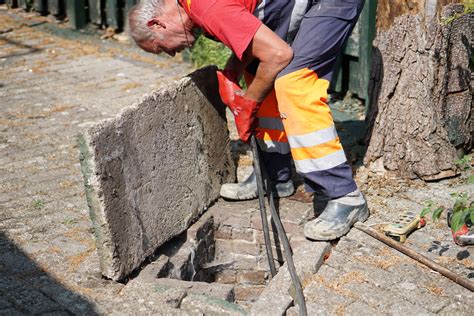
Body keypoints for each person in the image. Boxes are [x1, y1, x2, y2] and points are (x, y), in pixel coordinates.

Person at [128, 0, 369, 241]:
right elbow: (255, 39)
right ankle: (274, 175)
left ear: (157, 24)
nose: (172, 54)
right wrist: (232, 70)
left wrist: (248, 103)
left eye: (161, 48)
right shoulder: (196, 8)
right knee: (256, 69)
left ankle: (345, 197)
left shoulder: (207, 8)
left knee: (294, 84)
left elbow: (278, 54)